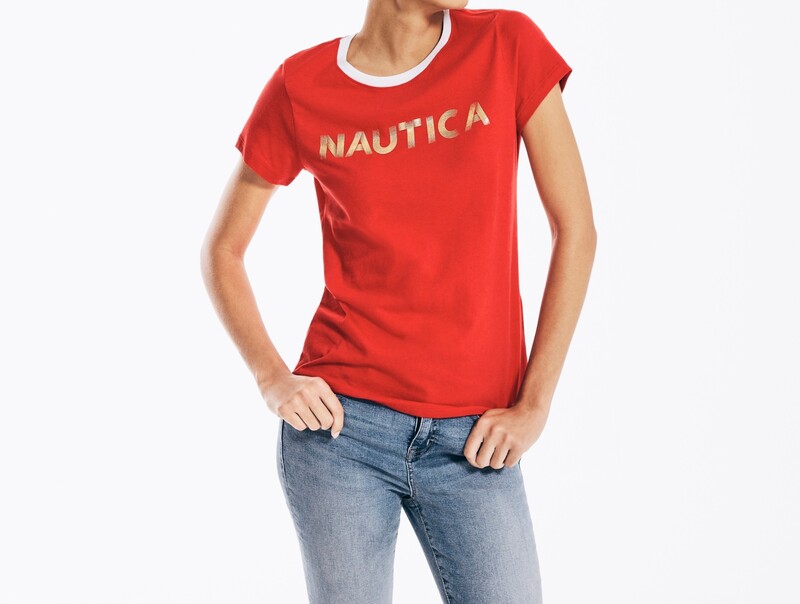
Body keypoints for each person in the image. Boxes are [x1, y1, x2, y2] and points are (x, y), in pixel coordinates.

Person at [201, 1, 596, 602]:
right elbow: (223, 250)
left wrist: (535, 403)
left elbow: (576, 230)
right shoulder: (301, 86)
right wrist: (272, 377)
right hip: (341, 434)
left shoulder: (507, 45)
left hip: (476, 443)